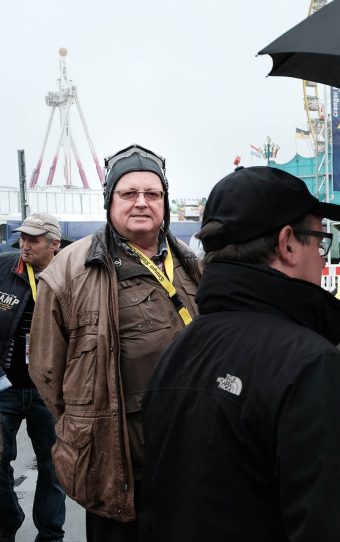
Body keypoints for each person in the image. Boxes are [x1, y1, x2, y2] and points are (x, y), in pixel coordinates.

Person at [140, 166, 340, 541]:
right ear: (288, 243)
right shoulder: (313, 366)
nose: (322, 259)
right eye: (318, 241)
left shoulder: (180, 349)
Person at [28, 144, 200, 541]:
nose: (142, 203)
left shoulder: (192, 264)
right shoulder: (69, 270)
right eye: (128, 194)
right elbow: (45, 369)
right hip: (114, 463)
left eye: (152, 194)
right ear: (109, 201)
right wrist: (89, 422)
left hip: (190, 456)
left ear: (165, 202)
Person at [0, 214, 65, 542]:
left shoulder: (70, 276)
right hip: (4, 389)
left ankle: (50, 536)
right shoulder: (4, 268)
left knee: (53, 468)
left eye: (34, 239)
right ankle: (7, 520)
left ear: (54, 244)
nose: (25, 245)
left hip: (49, 392)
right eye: (23, 238)